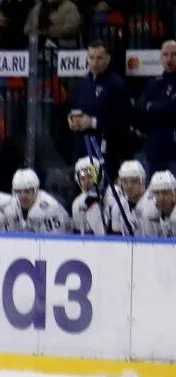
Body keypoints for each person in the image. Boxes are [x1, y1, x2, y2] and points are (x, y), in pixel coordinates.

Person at [67, 41, 134, 175]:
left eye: (99, 58)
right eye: (91, 58)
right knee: (84, 191)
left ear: (108, 59)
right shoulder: (82, 83)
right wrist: (71, 120)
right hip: (82, 150)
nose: (94, 62)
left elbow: (122, 121)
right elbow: (73, 108)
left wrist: (92, 122)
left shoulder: (116, 84)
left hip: (105, 152)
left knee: (101, 189)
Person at [135, 40, 176, 175]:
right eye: (165, 54)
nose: (169, 58)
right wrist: (159, 108)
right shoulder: (153, 82)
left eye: (173, 54)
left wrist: (151, 107)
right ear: (161, 57)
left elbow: (172, 109)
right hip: (153, 151)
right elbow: (140, 108)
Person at [8, 168, 70, 232]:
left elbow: (54, 240)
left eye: (27, 191)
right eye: (18, 191)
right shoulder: (10, 206)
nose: (22, 196)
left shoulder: (50, 209)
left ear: (36, 190)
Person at [105, 159, 148, 235]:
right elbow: (117, 241)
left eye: (134, 181)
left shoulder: (155, 206)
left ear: (142, 182)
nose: (129, 186)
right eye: (125, 181)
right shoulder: (118, 208)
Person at [70, 156, 107, 235]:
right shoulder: (77, 203)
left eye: (90, 177)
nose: (87, 181)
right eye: (83, 178)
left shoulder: (113, 197)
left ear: (99, 177)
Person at [142, 170, 176, 236]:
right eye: (157, 193)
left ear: (174, 195)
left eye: (165, 193)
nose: (161, 198)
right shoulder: (150, 216)